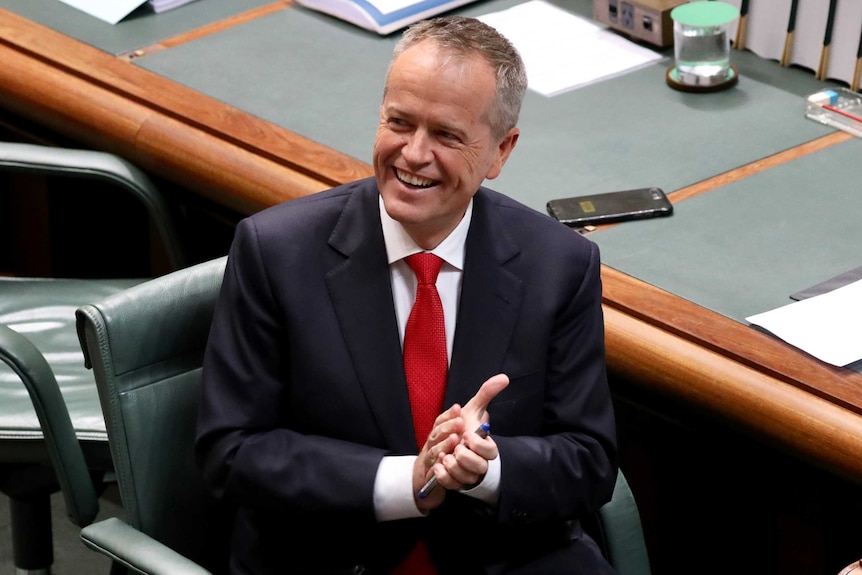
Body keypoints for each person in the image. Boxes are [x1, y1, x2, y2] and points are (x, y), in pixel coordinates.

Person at [195, 15, 618, 575]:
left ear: (500, 151)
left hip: (503, 555)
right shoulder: (276, 252)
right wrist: (405, 480)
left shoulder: (559, 265)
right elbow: (232, 452)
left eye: (445, 134)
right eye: (399, 122)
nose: (413, 155)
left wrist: (484, 468)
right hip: (328, 554)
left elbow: (589, 463)